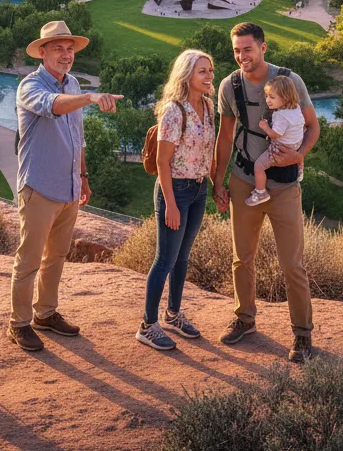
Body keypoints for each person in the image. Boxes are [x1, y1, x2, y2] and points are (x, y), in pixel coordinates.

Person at [8, 20, 123, 352]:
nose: (65, 54)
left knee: (56, 255)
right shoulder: (30, 87)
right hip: (39, 187)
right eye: (58, 48)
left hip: (69, 186)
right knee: (29, 259)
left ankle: (45, 313)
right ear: (42, 52)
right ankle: (18, 323)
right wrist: (89, 97)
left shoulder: (71, 82)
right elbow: (53, 107)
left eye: (69, 48)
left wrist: (84, 177)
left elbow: (77, 137)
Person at [211, 21, 320, 363]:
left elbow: (313, 125)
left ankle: (302, 335)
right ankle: (245, 319)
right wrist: (218, 182)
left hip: (284, 183)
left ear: (263, 47)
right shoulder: (230, 86)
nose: (242, 56)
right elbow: (225, 137)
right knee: (242, 257)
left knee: (292, 264)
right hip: (245, 178)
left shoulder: (290, 81)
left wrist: (300, 154)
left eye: (248, 49)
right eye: (236, 51)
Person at [136, 49, 216, 353]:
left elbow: (207, 151)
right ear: (186, 76)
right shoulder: (173, 111)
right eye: (202, 72)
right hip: (176, 191)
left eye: (209, 70)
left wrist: (214, 185)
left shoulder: (208, 107)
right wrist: (169, 203)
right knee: (165, 259)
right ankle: (147, 325)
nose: (209, 76)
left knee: (183, 258)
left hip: (198, 190)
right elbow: (163, 162)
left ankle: (172, 314)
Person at [246, 75, 305, 207]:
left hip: (280, 149)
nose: (268, 100)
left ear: (285, 97)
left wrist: (265, 127)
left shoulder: (280, 115)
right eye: (267, 96)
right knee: (297, 153)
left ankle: (261, 192)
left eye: (272, 97)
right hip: (295, 145)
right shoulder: (296, 108)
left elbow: (276, 135)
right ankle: (300, 168)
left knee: (259, 166)